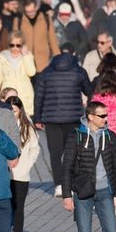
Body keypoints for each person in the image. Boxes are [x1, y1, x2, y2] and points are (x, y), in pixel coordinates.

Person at [63, 101, 116, 232]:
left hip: (105, 191)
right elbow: (67, 167)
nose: (106, 118)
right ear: (91, 117)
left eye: (106, 115)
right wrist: (67, 195)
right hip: (83, 190)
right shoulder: (76, 136)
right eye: (102, 116)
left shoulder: (110, 136)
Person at [35, 48, 92, 194]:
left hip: (51, 118)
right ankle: (71, 183)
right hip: (73, 118)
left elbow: (39, 97)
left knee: (55, 153)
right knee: (72, 151)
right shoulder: (79, 71)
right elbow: (89, 91)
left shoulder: (46, 72)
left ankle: (59, 185)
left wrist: (37, 118)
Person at [6, 97, 39, 232]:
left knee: (19, 206)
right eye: (9, 111)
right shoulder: (1, 126)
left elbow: (35, 149)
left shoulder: (27, 127)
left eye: (14, 111)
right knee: (6, 206)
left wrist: (27, 165)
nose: (12, 114)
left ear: (20, 111)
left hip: (21, 174)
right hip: (4, 174)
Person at [0, 32, 38, 114]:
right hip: (7, 95)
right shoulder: (3, 57)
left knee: (25, 123)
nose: (15, 47)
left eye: (18, 45)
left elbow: (31, 72)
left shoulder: (27, 56)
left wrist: (26, 56)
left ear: (23, 45)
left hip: (24, 96)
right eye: (12, 45)